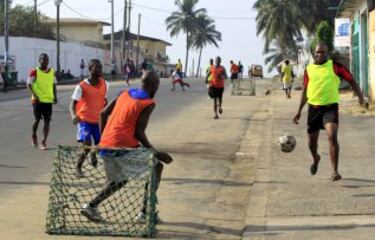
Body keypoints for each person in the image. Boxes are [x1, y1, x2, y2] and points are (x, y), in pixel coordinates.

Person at [80, 69, 173, 222]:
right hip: (122, 147)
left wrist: (103, 141)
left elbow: (102, 114)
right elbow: (139, 133)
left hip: (106, 146)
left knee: (119, 181)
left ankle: (90, 206)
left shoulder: (123, 93)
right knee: (156, 167)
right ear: (154, 85)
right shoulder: (148, 103)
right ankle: (145, 213)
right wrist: (156, 153)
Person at [293, 42, 368, 181]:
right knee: (311, 143)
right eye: (317, 52)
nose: (319, 54)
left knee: (332, 136)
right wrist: (299, 111)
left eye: (322, 52)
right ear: (314, 53)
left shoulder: (335, 66)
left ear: (327, 54)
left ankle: (334, 171)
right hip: (313, 109)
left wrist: (361, 99)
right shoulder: (309, 69)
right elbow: (305, 90)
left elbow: (352, 81)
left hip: (330, 108)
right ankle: (316, 159)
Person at [70, 59, 109, 178]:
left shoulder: (105, 84)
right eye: (96, 67)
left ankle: (95, 153)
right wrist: (73, 115)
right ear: (90, 69)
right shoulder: (81, 86)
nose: (99, 70)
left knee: (103, 145)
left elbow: (104, 101)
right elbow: (72, 104)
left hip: (98, 121)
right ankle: (78, 168)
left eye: (100, 67)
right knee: (87, 144)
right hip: (84, 120)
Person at [27, 53, 57, 150]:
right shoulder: (34, 71)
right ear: (39, 60)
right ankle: (34, 136)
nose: (45, 61)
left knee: (47, 121)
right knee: (37, 120)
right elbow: (28, 84)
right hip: (37, 100)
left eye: (46, 60)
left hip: (48, 100)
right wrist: (34, 95)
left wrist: (55, 96)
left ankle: (44, 141)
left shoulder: (52, 72)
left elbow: (54, 84)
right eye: (43, 59)